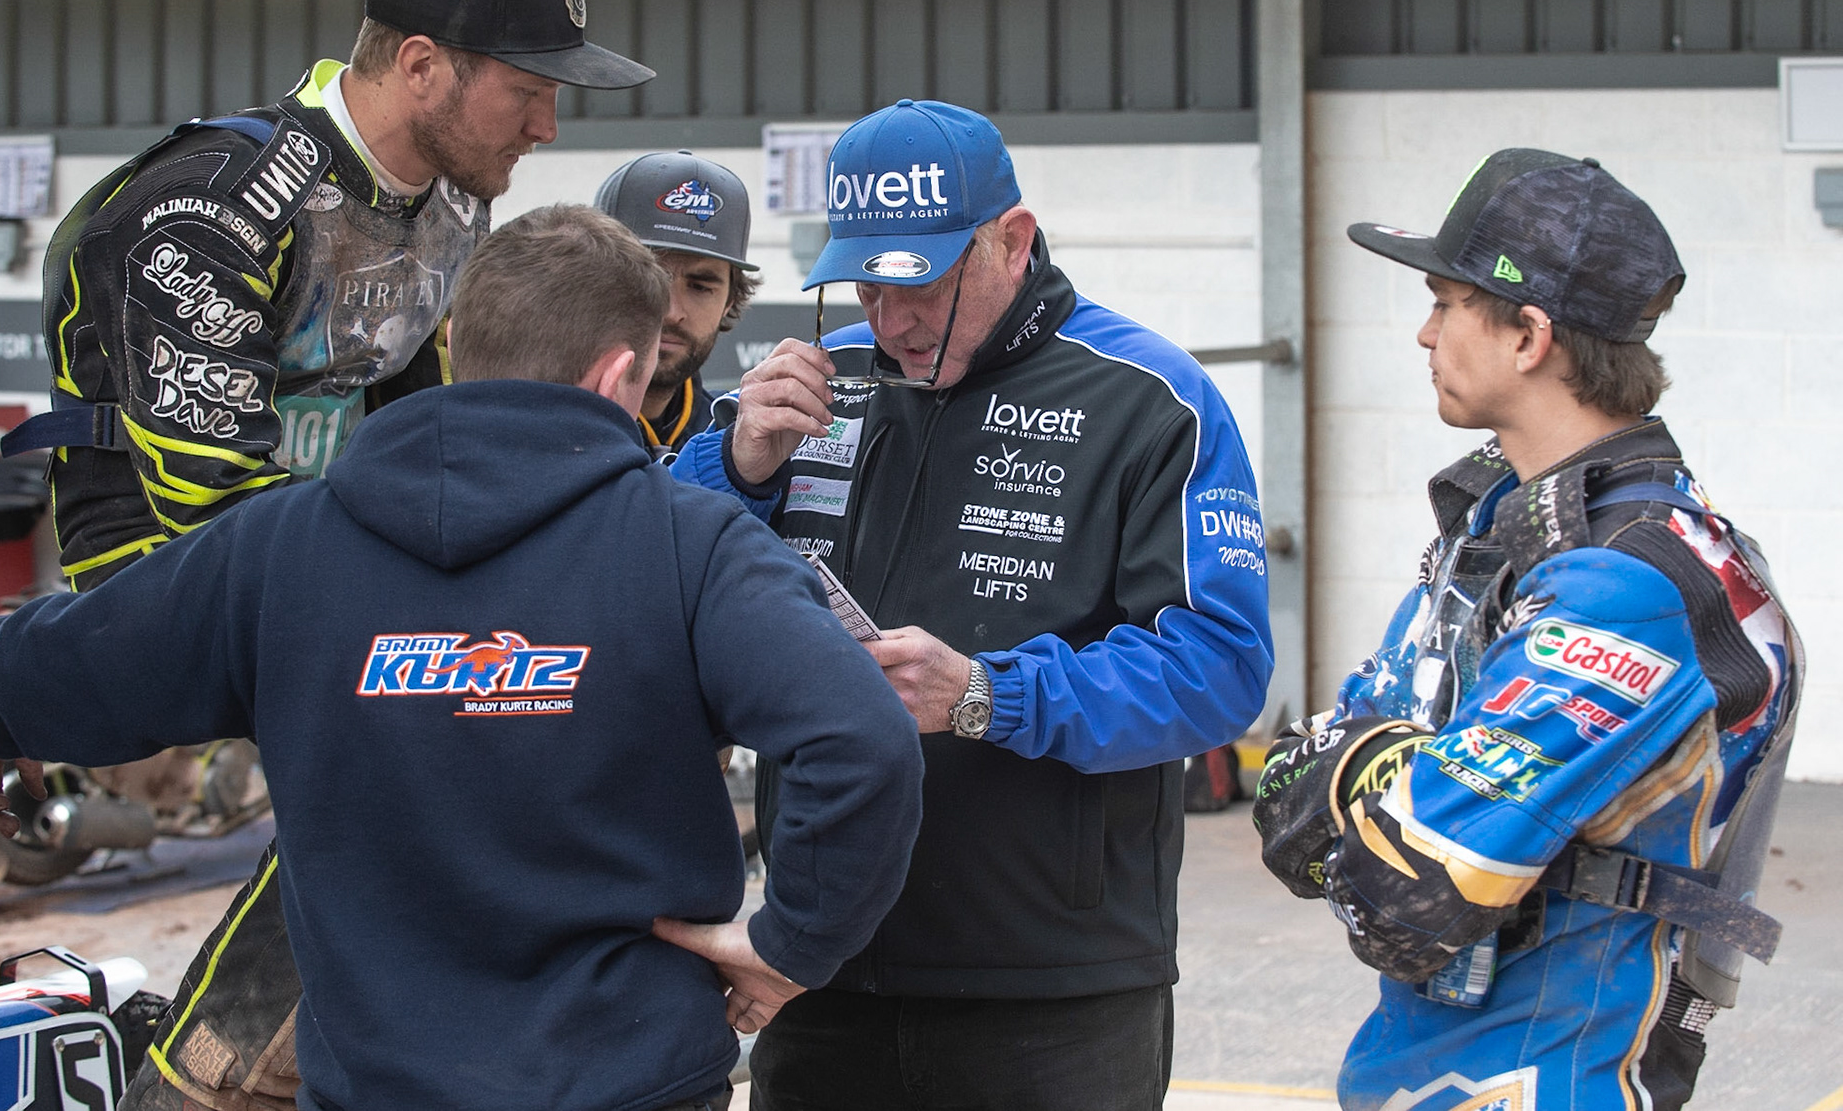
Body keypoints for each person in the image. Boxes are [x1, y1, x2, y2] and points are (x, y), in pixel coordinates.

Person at [0, 204, 924, 1111]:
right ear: (620, 372)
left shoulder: (280, 548)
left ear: (456, 348)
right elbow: (866, 740)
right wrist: (789, 944)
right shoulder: (691, 546)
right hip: (629, 1081)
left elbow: (64, 661)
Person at [0, 0, 655, 1111]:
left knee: (524, 684)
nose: (551, 125)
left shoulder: (450, 202)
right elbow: (212, 510)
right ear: (421, 65)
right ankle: (202, 1081)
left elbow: (432, 429)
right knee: (421, 722)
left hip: (326, 539)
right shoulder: (214, 206)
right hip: (166, 550)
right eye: (528, 89)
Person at [671, 98, 1274, 1110]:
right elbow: (644, 569)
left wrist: (988, 693)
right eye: (868, 284)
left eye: (924, 285)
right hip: (824, 960)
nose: (893, 319)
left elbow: (1222, 668)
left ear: (1013, 240)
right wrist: (733, 469)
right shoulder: (823, 383)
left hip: (1054, 985)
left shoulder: (1149, 398)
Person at [1252, 149, 1800, 1111]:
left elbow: (1406, 896)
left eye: (1445, 301)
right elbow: (1293, 801)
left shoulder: (1628, 587)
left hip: (1546, 1078)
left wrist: (1359, 777)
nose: (1423, 333)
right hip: (1422, 1068)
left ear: (1528, 335)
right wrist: (1368, 773)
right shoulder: (1497, 526)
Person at [595, 151, 762, 456]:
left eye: (700, 286)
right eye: (648, 279)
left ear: (730, 300)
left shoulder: (738, 441)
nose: (671, 313)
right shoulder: (543, 428)